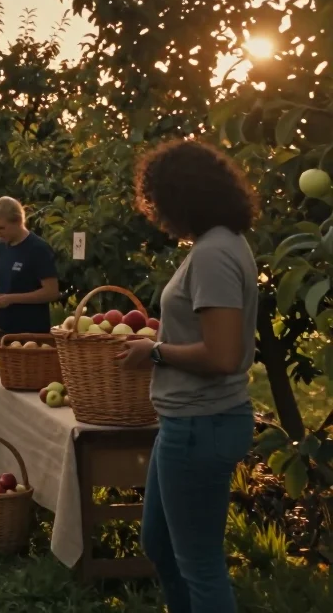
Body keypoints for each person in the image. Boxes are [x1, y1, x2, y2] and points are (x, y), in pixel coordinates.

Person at [116, 140, 258, 613]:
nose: (156, 215)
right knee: (159, 545)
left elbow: (221, 354)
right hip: (188, 423)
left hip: (203, 423)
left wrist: (155, 351)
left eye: (157, 203)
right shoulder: (219, 243)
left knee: (199, 563)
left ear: (181, 198)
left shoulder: (214, 252)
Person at [0, 197, 59, 333]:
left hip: (31, 331)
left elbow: (51, 292)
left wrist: (12, 299)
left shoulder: (38, 249)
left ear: (18, 221)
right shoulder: (1, 247)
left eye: (1, 228)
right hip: (3, 329)